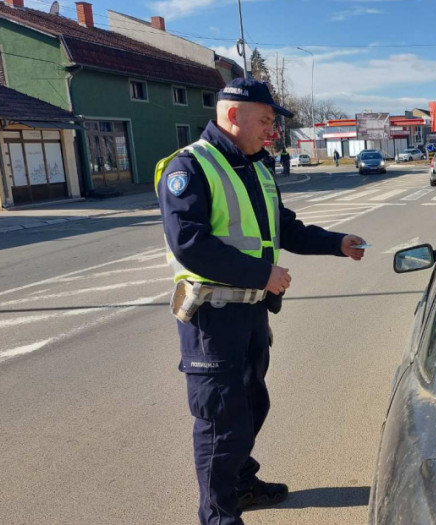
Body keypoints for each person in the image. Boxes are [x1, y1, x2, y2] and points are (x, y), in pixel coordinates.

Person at [154, 77, 367, 525]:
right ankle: (219, 516)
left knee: (251, 407)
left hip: (250, 312)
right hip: (212, 317)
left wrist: (335, 243)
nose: (272, 130)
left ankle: (241, 485)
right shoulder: (190, 166)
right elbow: (189, 243)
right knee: (221, 422)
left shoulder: (256, 167)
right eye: (266, 120)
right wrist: (262, 274)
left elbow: (283, 227)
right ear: (233, 115)